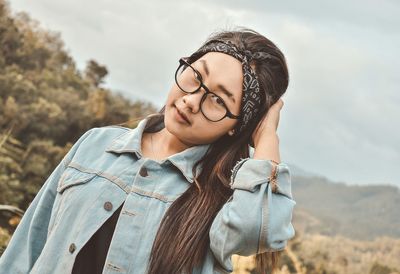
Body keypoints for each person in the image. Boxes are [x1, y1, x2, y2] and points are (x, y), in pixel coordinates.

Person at [0, 27, 296, 274]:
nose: (192, 100)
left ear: (236, 126)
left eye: (218, 100)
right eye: (196, 75)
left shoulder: (221, 197)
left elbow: (261, 230)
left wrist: (267, 135)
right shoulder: (96, 144)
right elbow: (27, 245)